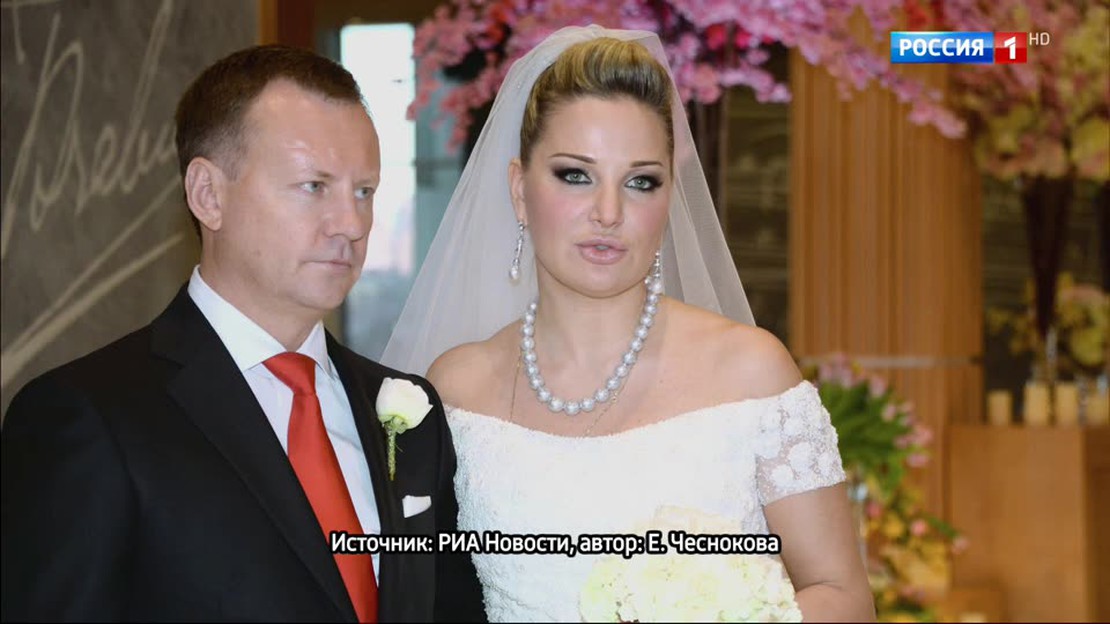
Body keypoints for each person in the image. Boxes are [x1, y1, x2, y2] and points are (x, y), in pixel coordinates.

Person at [381, 26, 875, 622]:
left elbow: (843, 596)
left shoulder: (750, 372)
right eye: (575, 175)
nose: (609, 212)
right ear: (519, 190)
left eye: (641, 182)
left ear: (669, 198)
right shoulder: (458, 389)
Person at [1, 45, 483, 622]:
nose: (352, 224)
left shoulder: (408, 411)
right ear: (208, 194)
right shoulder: (90, 417)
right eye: (314, 186)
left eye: (364, 191)